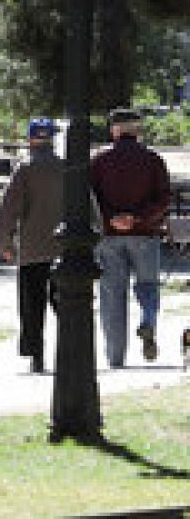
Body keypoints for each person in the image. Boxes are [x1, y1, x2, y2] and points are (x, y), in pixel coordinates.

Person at [90, 107, 171, 368]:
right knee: (148, 286)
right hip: (145, 234)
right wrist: (136, 218)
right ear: (137, 130)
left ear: (114, 130)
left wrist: (113, 217)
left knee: (112, 295)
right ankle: (147, 321)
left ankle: (116, 358)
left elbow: (91, 199)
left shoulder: (100, 161)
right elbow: (163, 199)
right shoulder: (153, 160)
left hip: (109, 236)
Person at [0, 118, 64, 374]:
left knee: (31, 306)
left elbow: (8, 210)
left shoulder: (24, 169)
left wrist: (5, 242)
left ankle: (36, 355)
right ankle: (71, 351)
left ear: (29, 138)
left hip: (32, 249)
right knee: (66, 304)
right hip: (64, 248)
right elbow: (89, 205)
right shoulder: (66, 167)